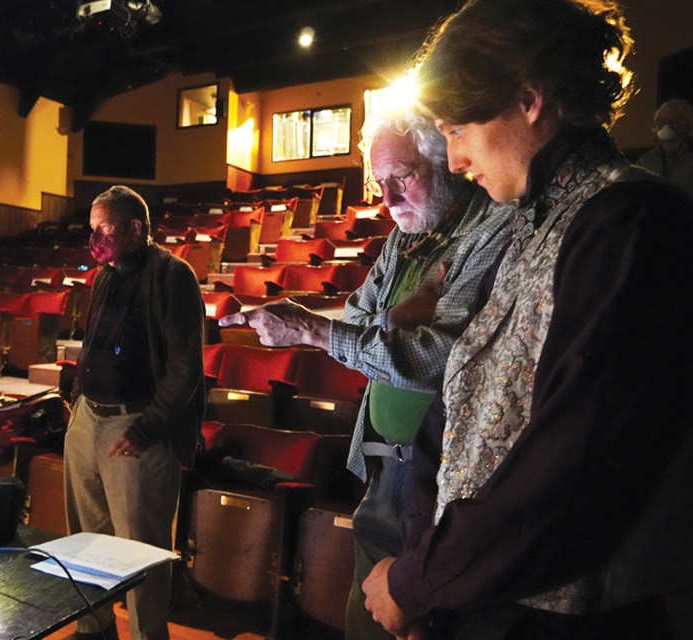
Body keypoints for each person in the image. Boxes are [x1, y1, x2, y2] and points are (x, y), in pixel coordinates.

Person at [363, 1, 693, 638]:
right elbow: (453, 407)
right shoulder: (531, 226)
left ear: (529, 101)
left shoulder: (632, 221)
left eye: (456, 130)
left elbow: (575, 464)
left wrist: (417, 579)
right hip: (478, 595)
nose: (453, 160)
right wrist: (421, 565)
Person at [219, 109, 512, 639]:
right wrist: (397, 318)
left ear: (446, 158)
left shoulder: (490, 227)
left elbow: (442, 360)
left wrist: (314, 331)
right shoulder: (405, 239)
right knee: (366, 623)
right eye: (380, 183)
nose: (389, 199)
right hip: (380, 466)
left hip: (443, 479)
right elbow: (359, 318)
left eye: (403, 178)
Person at [63, 185, 205, 640]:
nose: (96, 239)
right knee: (87, 539)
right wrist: (78, 400)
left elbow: (186, 367)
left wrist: (147, 429)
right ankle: (94, 626)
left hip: (135, 426)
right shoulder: (105, 274)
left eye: (104, 228)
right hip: (89, 420)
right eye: (92, 229)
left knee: (139, 551)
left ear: (136, 228)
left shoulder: (172, 276)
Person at [636, 98, 693, 197]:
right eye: (661, 121)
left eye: (674, 120)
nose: (666, 125)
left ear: (687, 124)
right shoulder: (646, 161)